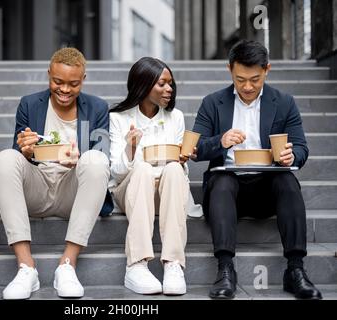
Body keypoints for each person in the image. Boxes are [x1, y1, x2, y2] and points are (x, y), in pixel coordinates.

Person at [191, 40, 322, 300]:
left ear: (267, 70)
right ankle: (225, 269)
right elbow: (195, 150)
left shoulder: (284, 103)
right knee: (222, 179)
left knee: (288, 181)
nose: (248, 87)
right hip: (227, 190)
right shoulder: (212, 102)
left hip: (266, 188)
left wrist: (290, 154)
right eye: (240, 79)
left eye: (255, 79)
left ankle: (295, 269)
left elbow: (302, 149)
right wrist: (221, 141)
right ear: (230, 70)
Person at [0, 47, 112, 299]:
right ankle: (26, 267)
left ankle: (67, 264)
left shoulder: (97, 108)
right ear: (48, 74)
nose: (65, 90)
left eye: (73, 84)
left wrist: (78, 159)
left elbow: (102, 156)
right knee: (5, 158)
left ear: (83, 80)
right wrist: (25, 150)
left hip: (73, 192)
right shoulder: (29, 104)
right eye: (58, 81)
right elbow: (19, 154)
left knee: (95, 160)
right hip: (37, 187)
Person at [109, 57, 199, 295]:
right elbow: (117, 174)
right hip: (131, 189)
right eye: (162, 84)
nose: (169, 89)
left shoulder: (175, 117)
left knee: (173, 169)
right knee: (143, 169)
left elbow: (180, 175)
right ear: (143, 84)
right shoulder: (118, 118)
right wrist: (131, 147)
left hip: (166, 190)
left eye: (170, 83)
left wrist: (182, 159)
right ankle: (136, 265)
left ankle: (173, 264)